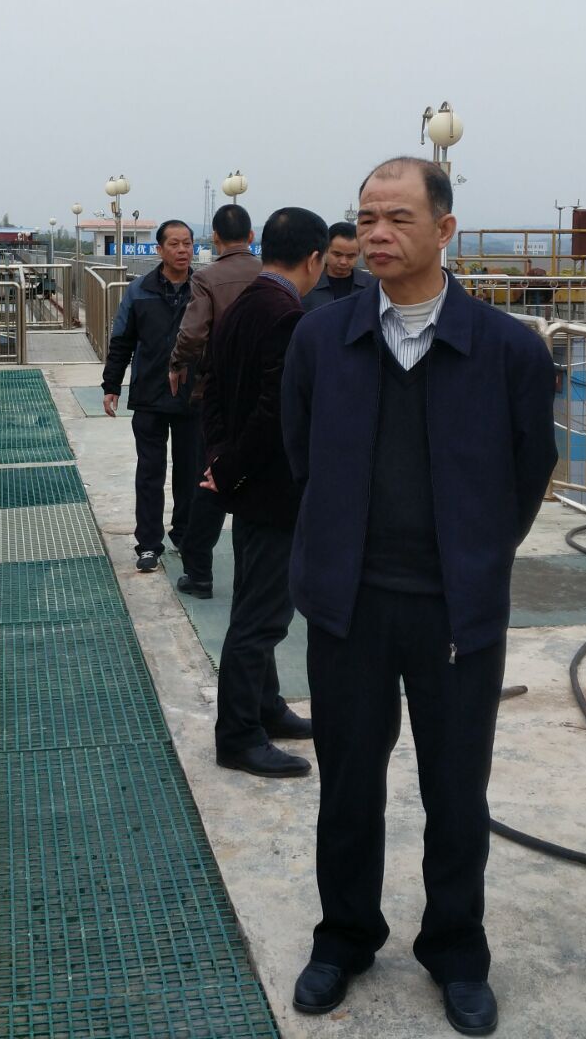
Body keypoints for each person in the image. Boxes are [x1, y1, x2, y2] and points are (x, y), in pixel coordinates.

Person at [282, 157, 556, 1036]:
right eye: (366, 218)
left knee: (457, 793)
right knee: (347, 785)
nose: (376, 234)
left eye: (398, 218)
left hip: (455, 614)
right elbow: (300, 454)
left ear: (444, 230)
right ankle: (344, 938)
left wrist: (475, 555)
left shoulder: (508, 349)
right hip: (350, 607)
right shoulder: (321, 339)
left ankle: (457, 950)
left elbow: (530, 470)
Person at [201, 206, 329, 779]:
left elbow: (212, 390)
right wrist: (230, 468)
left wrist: (218, 461)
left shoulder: (244, 303)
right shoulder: (287, 315)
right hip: (272, 491)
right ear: (314, 259)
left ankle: (266, 706)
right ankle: (238, 736)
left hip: (246, 486)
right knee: (262, 618)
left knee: (254, 604)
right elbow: (273, 413)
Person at [167, 204, 260, 597]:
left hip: (219, 393)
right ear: (251, 237)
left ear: (215, 238)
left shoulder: (206, 278)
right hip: (266, 394)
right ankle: (252, 579)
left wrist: (177, 364)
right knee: (259, 484)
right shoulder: (269, 273)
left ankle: (199, 573)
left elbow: (192, 333)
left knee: (211, 478)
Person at [100, 220, 198, 572]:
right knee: (150, 472)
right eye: (174, 244)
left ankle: (185, 536)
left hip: (193, 396)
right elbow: (122, 340)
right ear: (160, 250)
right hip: (150, 394)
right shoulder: (139, 290)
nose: (183, 250)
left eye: (188, 243)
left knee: (190, 472)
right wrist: (111, 385)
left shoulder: (203, 289)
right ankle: (148, 544)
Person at [302, 221, 374, 311]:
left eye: (350, 256)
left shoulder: (372, 286)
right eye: (337, 254)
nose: (343, 262)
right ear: (326, 250)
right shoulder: (306, 284)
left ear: (359, 254)